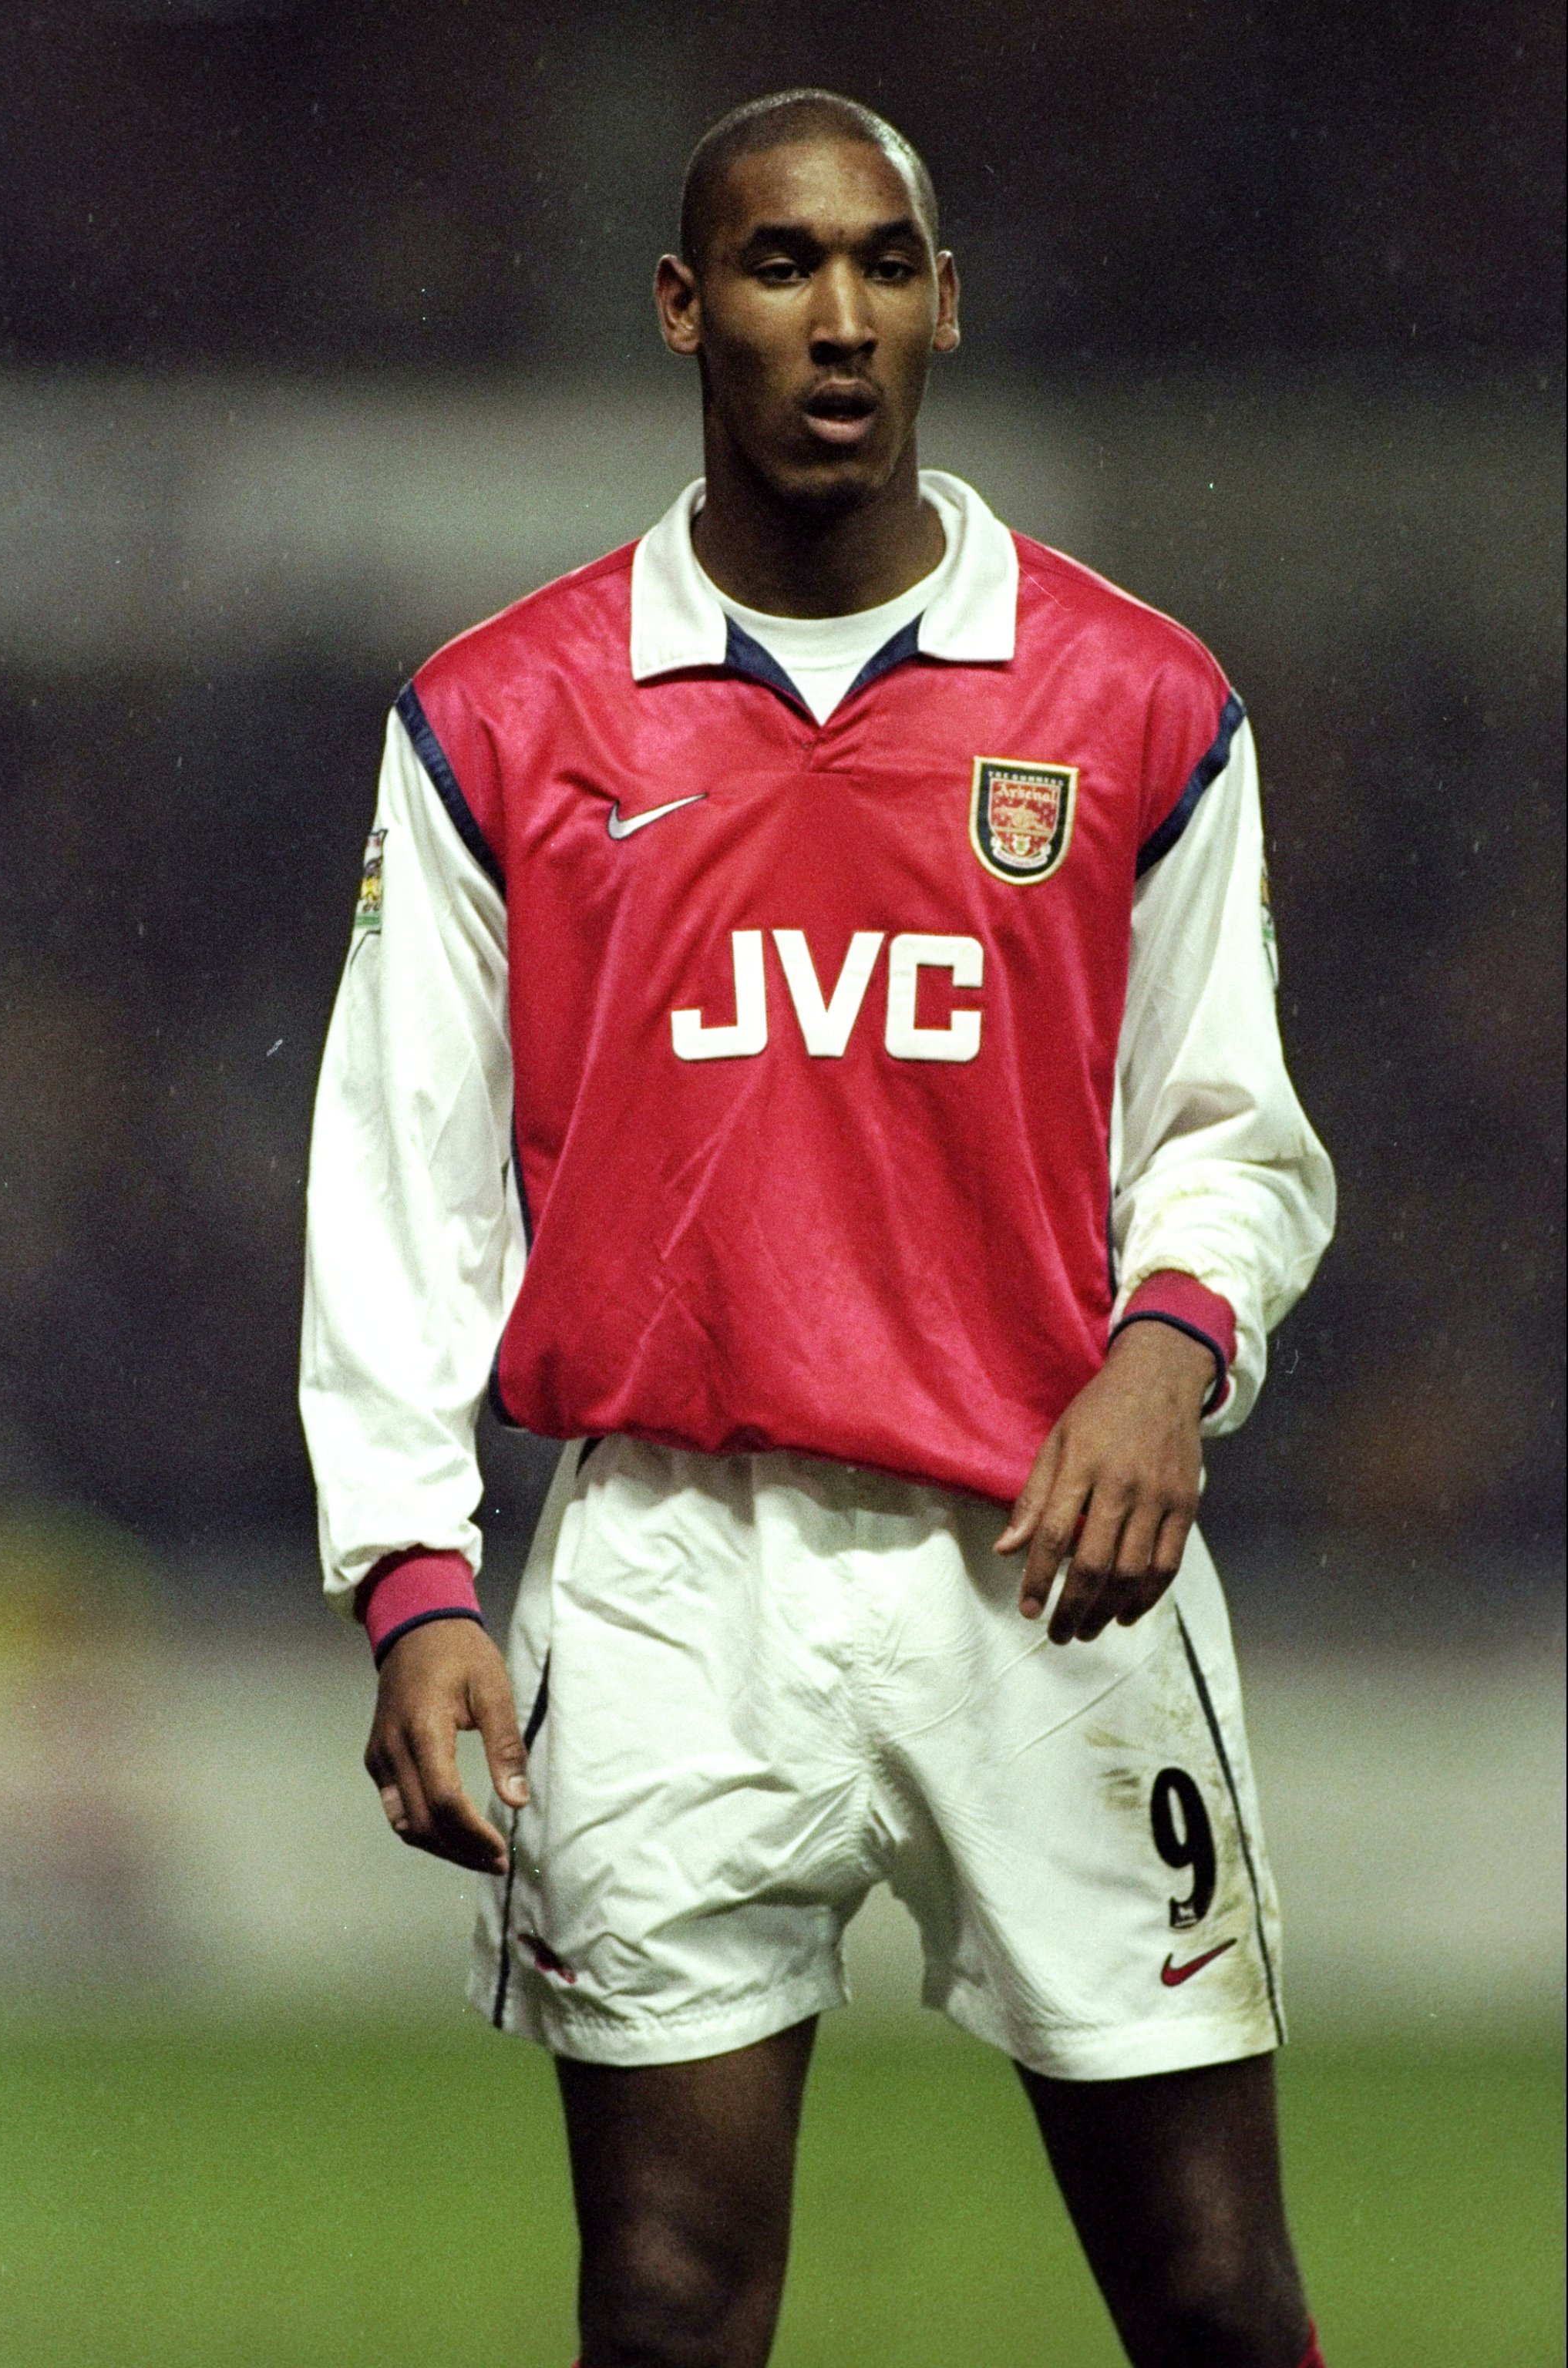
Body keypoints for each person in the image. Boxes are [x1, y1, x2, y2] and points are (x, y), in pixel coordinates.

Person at [301, 88, 1336, 2368]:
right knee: (667, 2301)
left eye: (885, 263)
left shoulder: (1136, 703)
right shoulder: (504, 718)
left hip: (1045, 1563)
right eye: (781, 266)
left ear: (949, 303)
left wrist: (1167, 1357)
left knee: (1213, 2294)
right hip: (676, 1571)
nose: (840, 317)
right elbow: (401, 1177)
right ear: (686, 306)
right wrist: (411, 1580)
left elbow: (1232, 1133)